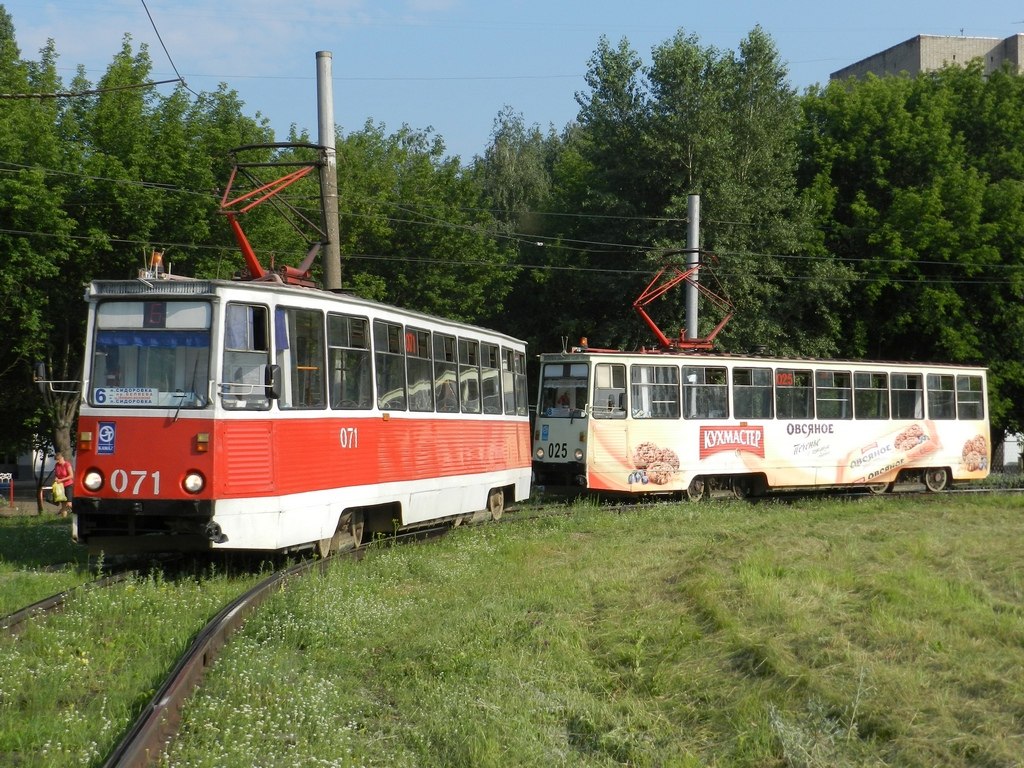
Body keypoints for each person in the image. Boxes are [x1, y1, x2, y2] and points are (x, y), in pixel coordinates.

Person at [54, 452, 74, 518]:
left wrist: (61, 480)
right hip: (61, 486)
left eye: (58, 459)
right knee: (63, 504)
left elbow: (71, 476)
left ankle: (79, 513)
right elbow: (56, 474)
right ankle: (64, 519)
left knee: (69, 503)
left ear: (62, 458)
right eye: (56, 460)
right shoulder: (56, 465)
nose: (57, 461)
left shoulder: (67, 464)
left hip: (68, 485)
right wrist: (56, 478)